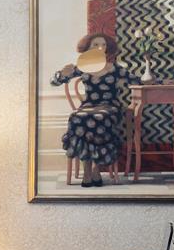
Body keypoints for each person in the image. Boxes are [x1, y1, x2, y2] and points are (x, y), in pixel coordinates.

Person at [50, 33, 138, 187]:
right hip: (88, 106)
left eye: (103, 45)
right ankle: (87, 171)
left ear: (107, 48)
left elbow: (137, 81)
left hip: (110, 107)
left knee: (100, 117)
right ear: (88, 48)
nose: (100, 48)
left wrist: (162, 82)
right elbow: (54, 82)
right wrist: (61, 74)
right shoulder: (82, 67)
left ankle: (96, 169)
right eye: (96, 45)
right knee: (78, 117)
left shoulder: (115, 68)